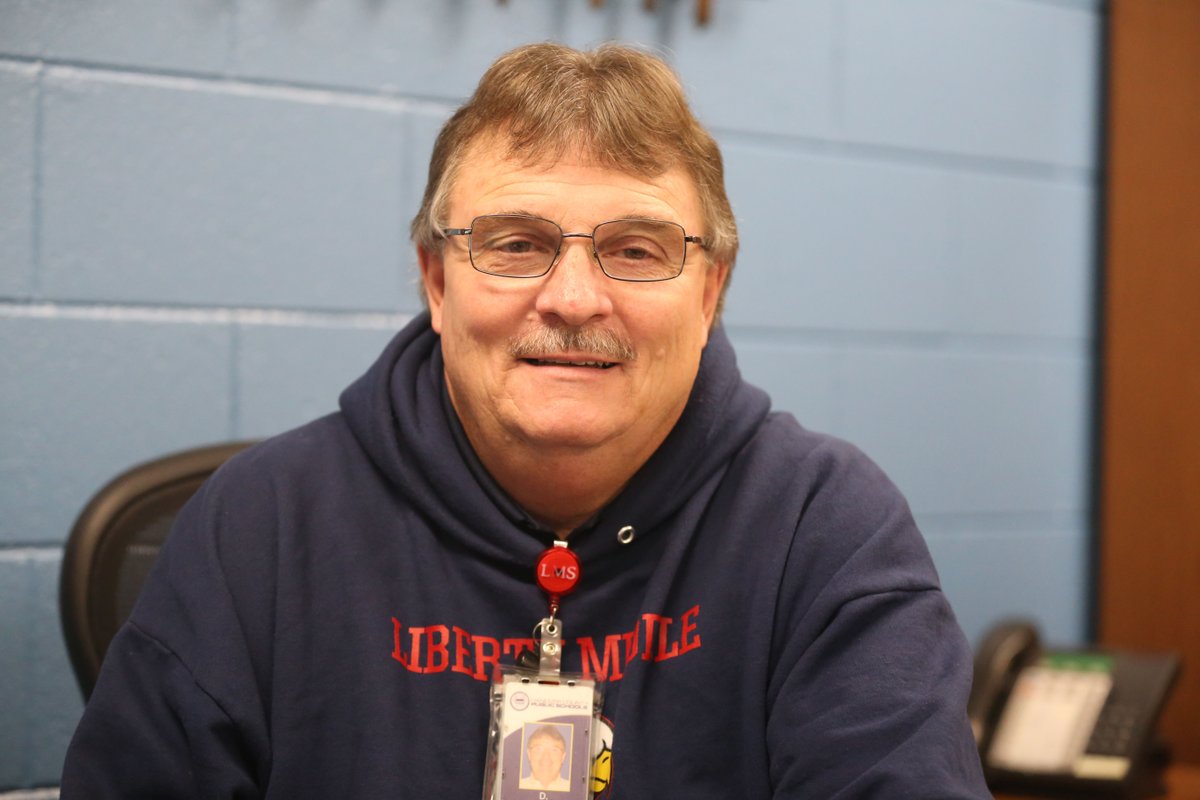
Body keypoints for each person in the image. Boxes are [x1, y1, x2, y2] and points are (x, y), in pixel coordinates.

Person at [61, 43, 990, 798]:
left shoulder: (826, 529)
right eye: (516, 244)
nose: (575, 298)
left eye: (636, 248)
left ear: (710, 292)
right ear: (435, 279)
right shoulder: (257, 527)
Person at [521, 725, 571, 792]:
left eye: (554, 750)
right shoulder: (516, 787)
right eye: (539, 749)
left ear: (563, 757)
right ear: (529, 754)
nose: (546, 757)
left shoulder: (573, 790)